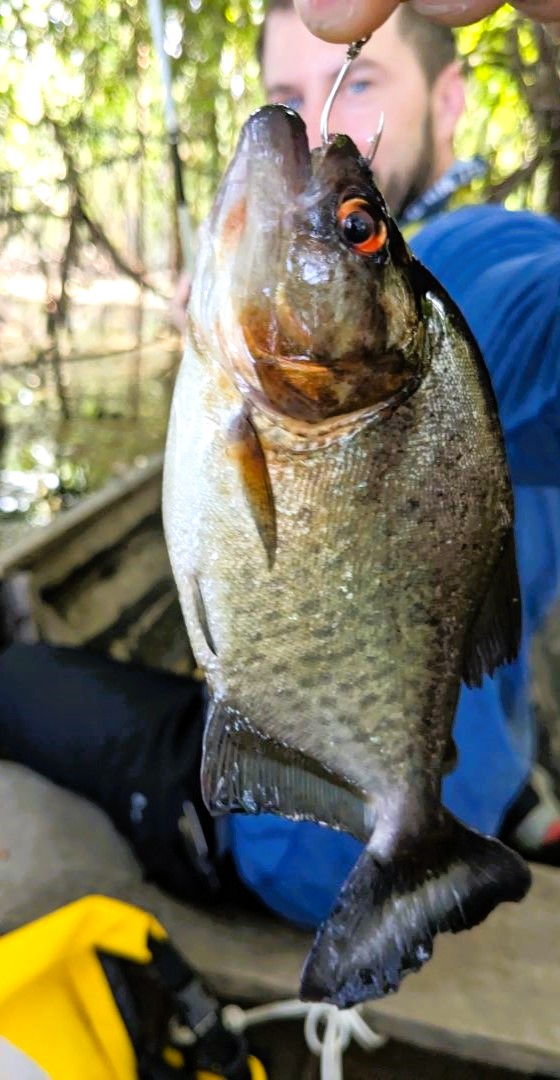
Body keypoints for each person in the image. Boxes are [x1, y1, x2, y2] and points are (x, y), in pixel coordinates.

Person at [1, 1, 560, 931]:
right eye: (284, 94)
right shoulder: (336, 332)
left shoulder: (494, 262)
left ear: (453, 95)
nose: (321, 117)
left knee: (14, 682)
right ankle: (460, 811)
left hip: (304, 852)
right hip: (463, 766)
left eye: (359, 80)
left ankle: (357, 843)